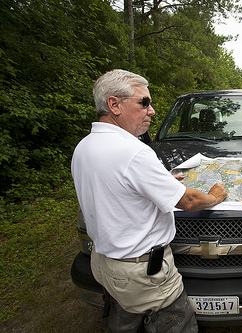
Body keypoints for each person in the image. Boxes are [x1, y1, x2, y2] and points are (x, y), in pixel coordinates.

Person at [71, 69, 227, 332]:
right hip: (145, 274)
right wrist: (215, 196)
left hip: (107, 263)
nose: (152, 110)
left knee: (123, 322)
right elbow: (188, 201)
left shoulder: (84, 147)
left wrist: (159, 181)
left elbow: (116, 189)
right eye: (144, 102)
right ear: (114, 104)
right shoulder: (133, 152)